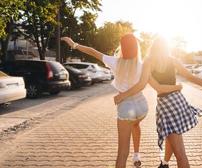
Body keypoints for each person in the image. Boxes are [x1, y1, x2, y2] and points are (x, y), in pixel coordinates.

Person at [61, 34, 182, 168]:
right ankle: (136, 154)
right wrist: (176, 86)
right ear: (137, 48)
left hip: (125, 109)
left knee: (122, 153)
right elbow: (156, 84)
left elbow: (92, 51)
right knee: (135, 125)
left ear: (122, 47)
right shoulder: (143, 65)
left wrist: (74, 44)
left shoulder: (114, 62)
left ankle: (133, 152)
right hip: (142, 108)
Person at [114, 37, 202, 168]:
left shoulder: (149, 61)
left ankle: (165, 163)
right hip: (179, 101)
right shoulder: (173, 60)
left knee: (180, 153)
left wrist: (122, 96)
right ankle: (164, 163)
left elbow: (150, 86)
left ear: (153, 47)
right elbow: (191, 77)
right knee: (171, 137)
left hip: (167, 105)